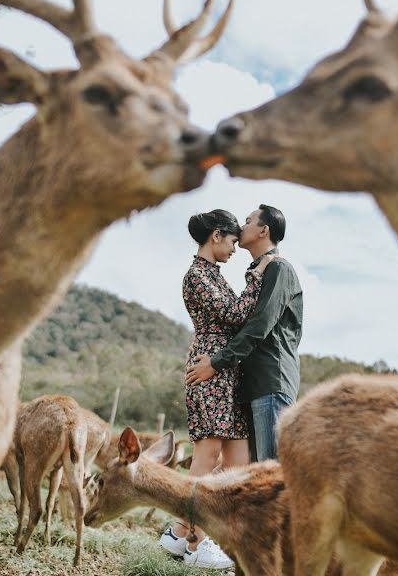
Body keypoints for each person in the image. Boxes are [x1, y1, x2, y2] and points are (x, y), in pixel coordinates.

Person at [159, 209, 275, 569]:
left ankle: (179, 533)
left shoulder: (214, 275)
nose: (236, 248)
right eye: (232, 241)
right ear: (215, 236)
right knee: (207, 458)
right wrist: (257, 278)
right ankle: (196, 544)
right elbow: (236, 314)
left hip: (227, 374)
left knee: (237, 466)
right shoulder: (196, 275)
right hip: (208, 371)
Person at [185, 204, 303, 463]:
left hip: (270, 379)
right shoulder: (252, 272)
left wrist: (216, 362)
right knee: (248, 471)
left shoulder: (278, 269)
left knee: (268, 470)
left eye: (248, 221)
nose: (241, 226)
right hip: (248, 384)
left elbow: (258, 326)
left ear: (263, 230)